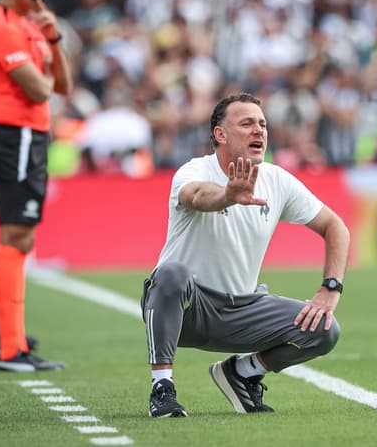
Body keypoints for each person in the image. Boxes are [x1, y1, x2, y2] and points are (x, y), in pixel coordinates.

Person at [142, 92, 349, 417]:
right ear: (220, 134)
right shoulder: (194, 170)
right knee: (170, 273)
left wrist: (330, 288)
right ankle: (162, 387)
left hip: (242, 310)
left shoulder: (276, 179)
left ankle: (242, 373)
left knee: (326, 329)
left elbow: (335, 227)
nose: (259, 131)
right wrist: (227, 194)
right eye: (247, 123)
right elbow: (196, 195)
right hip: (188, 309)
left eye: (263, 124)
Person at [0, 0, 73, 371]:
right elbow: (38, 89)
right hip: (13, 136)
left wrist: (53, 38)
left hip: (32, 137)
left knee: (23, 239)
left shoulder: (30, 27)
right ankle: (10, 348)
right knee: (15, 236)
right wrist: (44, 61)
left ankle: (15, 344)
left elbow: (63, 85)